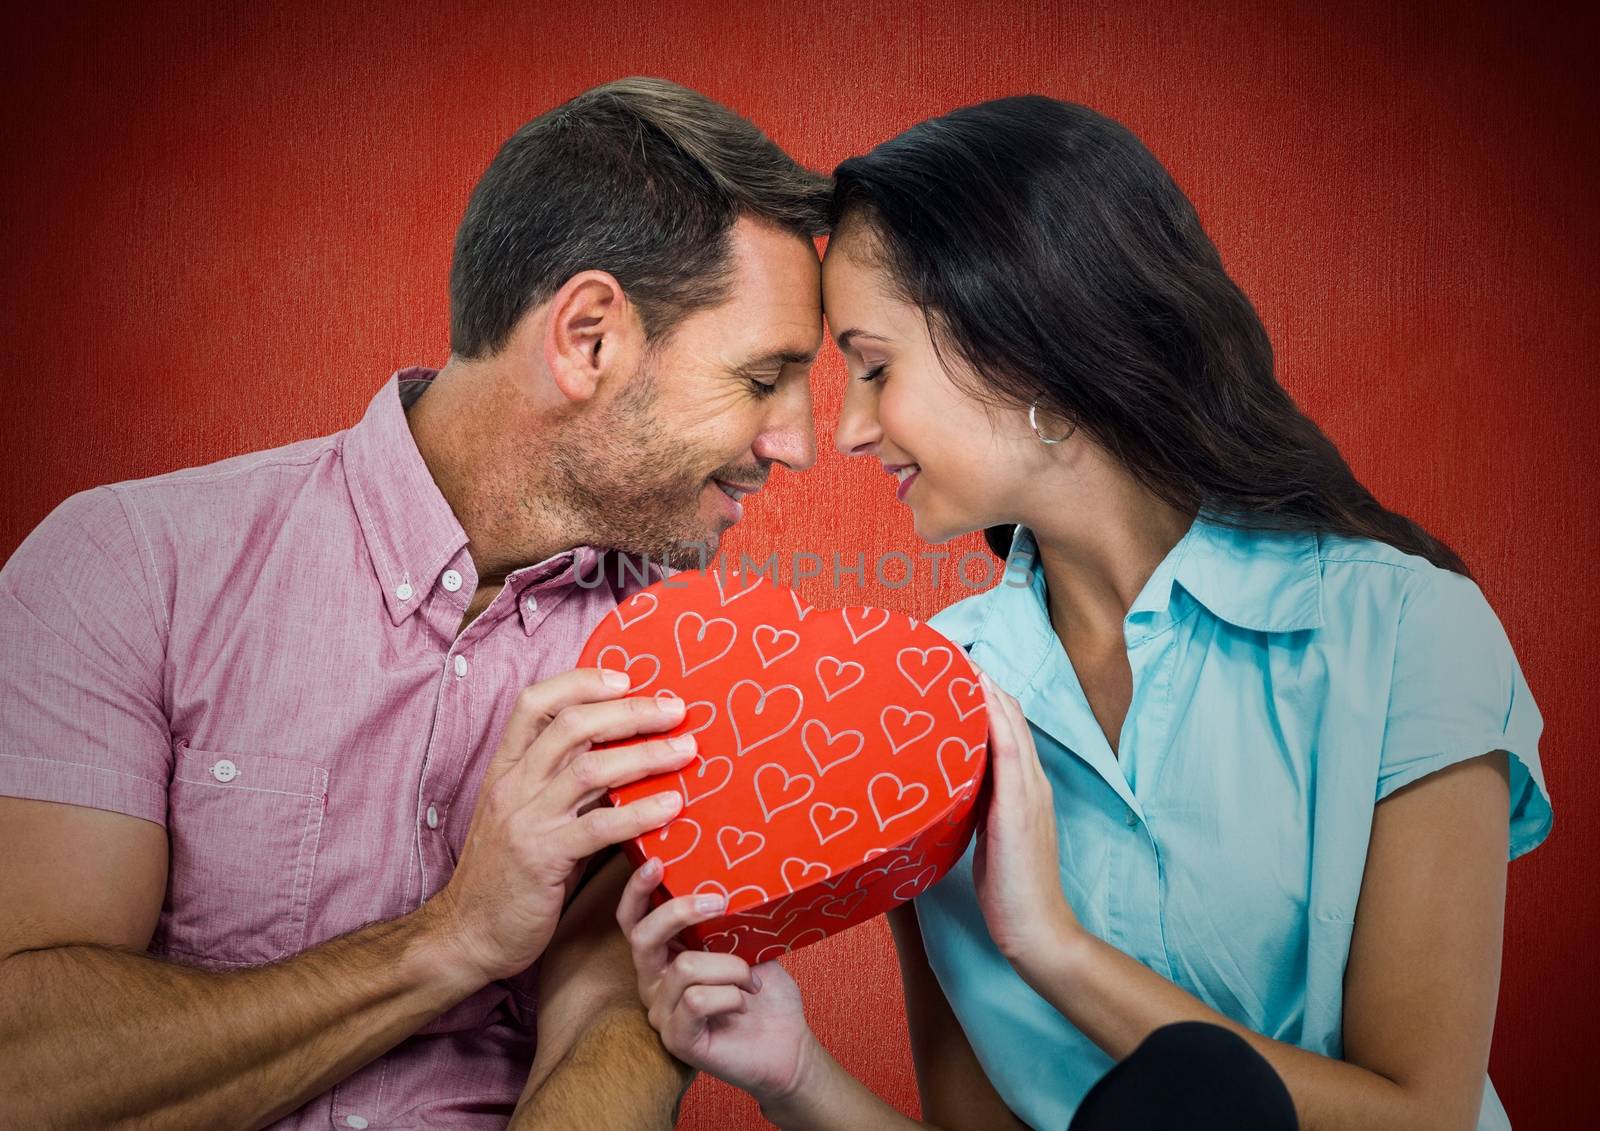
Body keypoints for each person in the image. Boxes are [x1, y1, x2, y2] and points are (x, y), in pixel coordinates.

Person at [616, 96, 1553, 1130]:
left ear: (1024, 347)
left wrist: (1052, 948)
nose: (846, 429)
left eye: (877, 368)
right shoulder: (928, 705)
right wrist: (791, 1074)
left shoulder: (1404, 632)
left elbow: (1424, 1115)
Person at [0, 76, 828, 1129]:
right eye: (763, 380)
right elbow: (21, 1074)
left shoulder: (692, 662)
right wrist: (452, 939)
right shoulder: (128, 565)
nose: (796, 443)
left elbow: (615, 1039)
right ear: (588, 337)